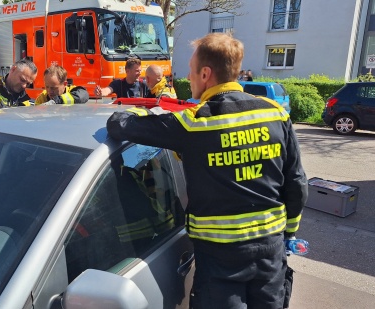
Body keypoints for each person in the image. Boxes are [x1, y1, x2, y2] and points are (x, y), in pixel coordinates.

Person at [106, 33, 308, 309]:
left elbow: (119, 126)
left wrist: (129, 109)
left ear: (205, 73)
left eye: (190, 72)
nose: (187, 79)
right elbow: (296, 182)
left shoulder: (193, 123)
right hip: (269, 252)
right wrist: (289, 234)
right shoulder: (275, 113)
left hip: (219, 259)